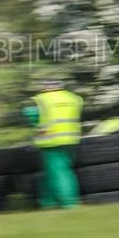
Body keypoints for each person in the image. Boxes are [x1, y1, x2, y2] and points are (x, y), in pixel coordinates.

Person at [30, 79, 83, 209]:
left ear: (46, 87)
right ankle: (48, 202)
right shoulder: (74, 98)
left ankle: (69, 202)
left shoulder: (42, 99)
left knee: (59, 172)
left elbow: (33, 118)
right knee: (60, 170)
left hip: (50, 141)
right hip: (71, 140)